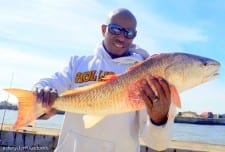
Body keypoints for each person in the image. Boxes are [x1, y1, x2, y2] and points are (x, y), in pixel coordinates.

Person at [33, 8, 176, 152]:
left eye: (129, 33)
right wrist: (41, 93)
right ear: (103, 29)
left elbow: (158, 144)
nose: (122, 37)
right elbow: (50, 84)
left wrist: (159, 120)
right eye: (115, 29)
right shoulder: (77, 63)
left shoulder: (145, 74)